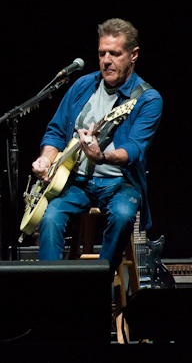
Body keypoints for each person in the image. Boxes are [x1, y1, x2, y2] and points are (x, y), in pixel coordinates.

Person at [32, 18, 162, 273]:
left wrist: (100, 157)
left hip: (120, 183)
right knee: (49, 218)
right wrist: (46, 159)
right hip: (77, 181)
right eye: (102, 53)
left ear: (133, 55)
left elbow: (135, 149)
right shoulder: (83, 85)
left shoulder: (148, 98)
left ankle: (97, 285)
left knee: (124, 215)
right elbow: (56, 131)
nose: (106, 60)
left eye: (115, 53)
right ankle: (48, 289)